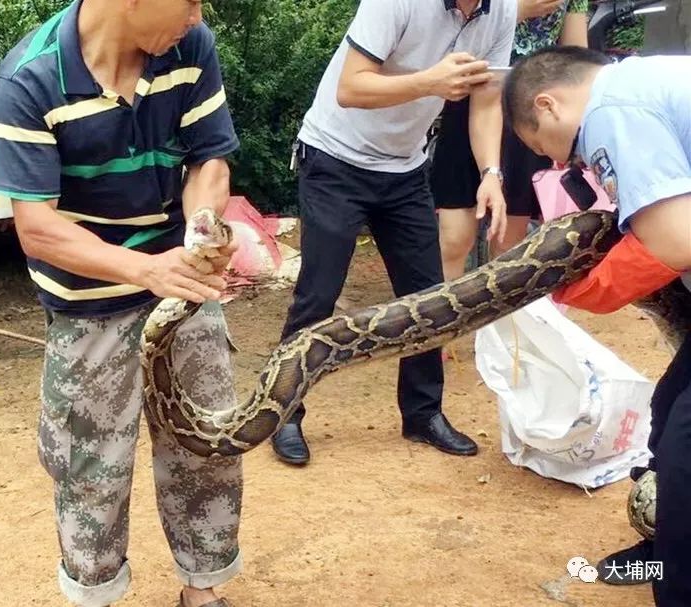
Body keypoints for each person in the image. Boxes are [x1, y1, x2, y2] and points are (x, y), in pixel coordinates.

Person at [0, 1, 243, 606]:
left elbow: (210, 157)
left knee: (205, 443)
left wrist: (202, 227)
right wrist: (144, 270)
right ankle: (96, 595)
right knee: (89, 468)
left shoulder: (189, 45)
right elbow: (38, 228)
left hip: (182, 286)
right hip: (89, 307)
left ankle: (201, 590)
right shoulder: (31, 77)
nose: (197, 13)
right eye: (187, 0)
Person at [271, 0, 516, 466]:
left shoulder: (500, 11)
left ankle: (423, 414)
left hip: (404, 170)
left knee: (429, 297)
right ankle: (283, 412)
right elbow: (351, 86)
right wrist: (431, 82)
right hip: (334, 159)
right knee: (317, 296)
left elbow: (486, 101)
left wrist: (491, 172)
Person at [502, 46, 691, 606]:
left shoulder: (613, 107)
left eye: (546, 147)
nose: (567, 166)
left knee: (684, 452)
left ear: (550, 105)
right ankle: (668, 551)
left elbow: (675, 239)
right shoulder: (647, 81)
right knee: (668, 409)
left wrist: (591, 289)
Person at [433, 0, 589, 282]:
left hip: (530, 110)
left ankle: (498, 321)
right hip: (470, 96)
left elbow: (575, 54)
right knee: (455, 238)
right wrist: (518, 12)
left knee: (509, 242)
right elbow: (456, 24)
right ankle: (443, 318)